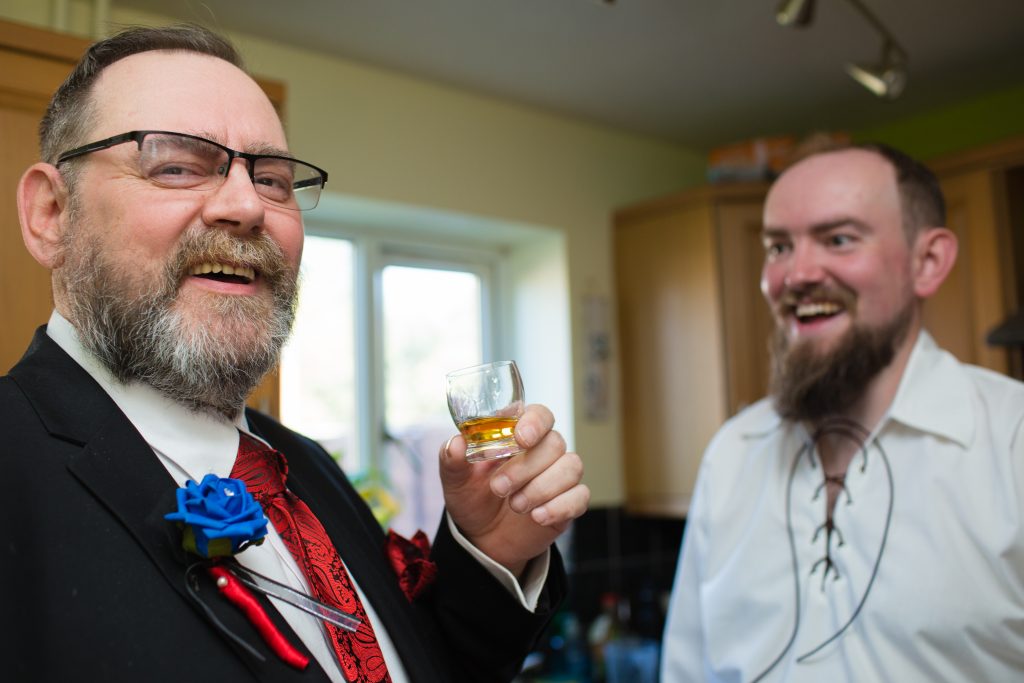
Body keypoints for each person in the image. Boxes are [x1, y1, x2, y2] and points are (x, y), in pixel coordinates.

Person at [0, 24, 589, 683]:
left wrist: (490, 551)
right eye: (175, 165)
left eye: (274, 179)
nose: (247, 205)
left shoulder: (305, 467)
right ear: (51, 212)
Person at [661, 142, 1024, 681]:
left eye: (839, 239)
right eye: (778, 247)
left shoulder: (1012, 440)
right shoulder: (732, 454)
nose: (797, 273)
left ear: (928, 262)